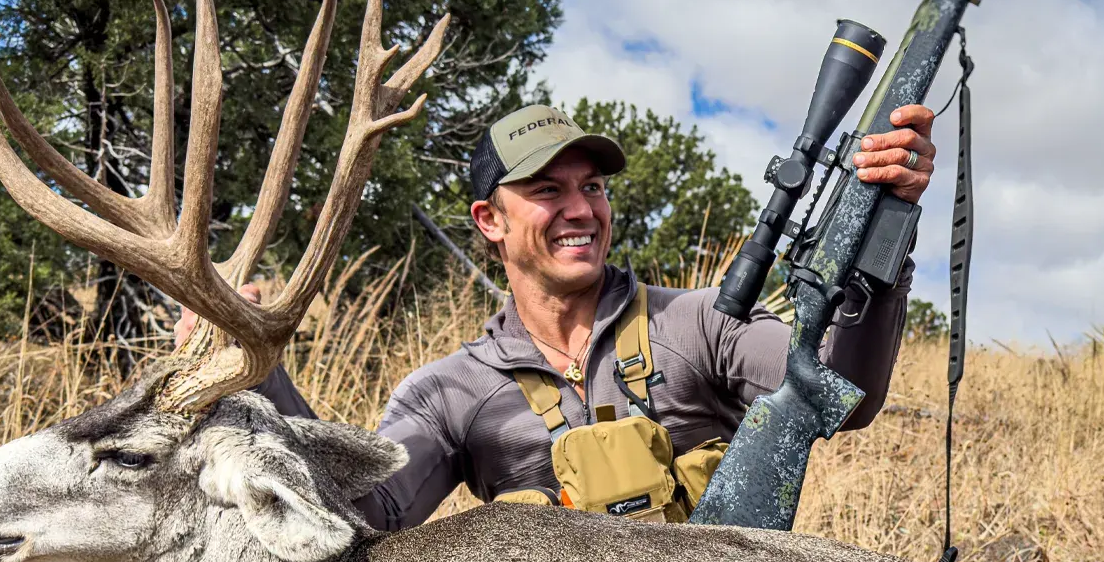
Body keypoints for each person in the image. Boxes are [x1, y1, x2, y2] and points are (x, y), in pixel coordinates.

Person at [177, 102, 935, 530]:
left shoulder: (703, 322)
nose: (581, 210)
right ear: (490, 220)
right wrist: (255, 376)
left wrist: (886, 230)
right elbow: (360, 515)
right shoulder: (451, 393)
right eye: (546, 190)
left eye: (594, 187)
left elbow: (846, 393)